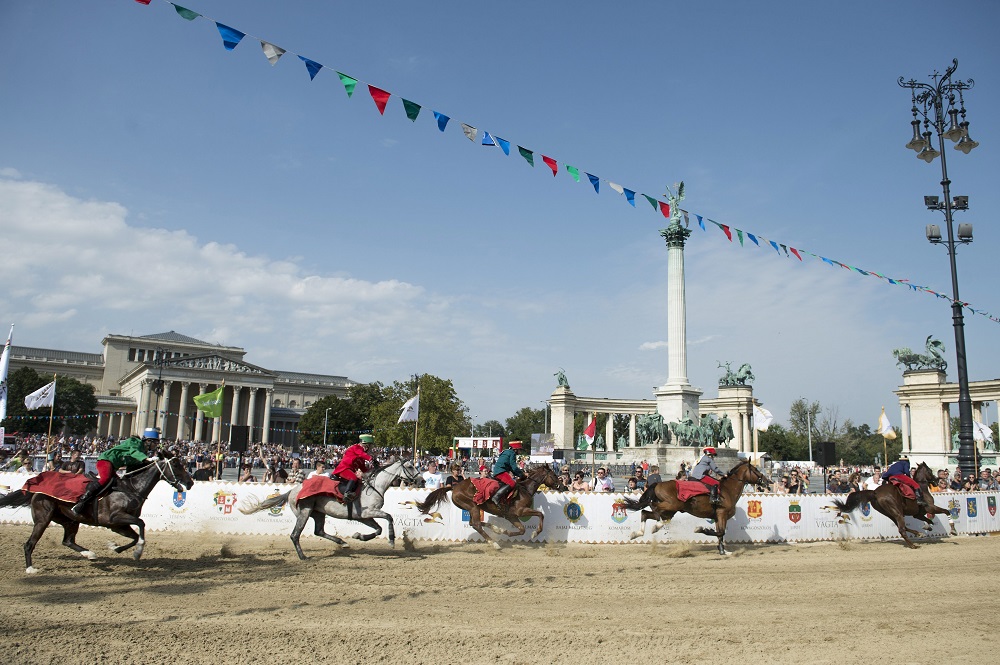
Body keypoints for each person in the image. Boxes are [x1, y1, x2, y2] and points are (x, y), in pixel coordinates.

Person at [71, 428, 158, 516]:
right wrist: (147, 459)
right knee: (105, 478)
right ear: (148, 441)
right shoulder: (135, 442)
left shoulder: (143, 452)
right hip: (105, 460)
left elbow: (132, 467)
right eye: (156, 443)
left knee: (119, 484)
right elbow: (134, 452)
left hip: (112, 466)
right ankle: (81, 502)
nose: (156, 445)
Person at [332, 434, 374, 503]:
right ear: (366, 445)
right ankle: (347, 493)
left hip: (349, 470)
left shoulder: (362, 458)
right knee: (353, 477)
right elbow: (361, 454)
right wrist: (370, 458)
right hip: (343, 469)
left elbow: (364, 469)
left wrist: (373, 471)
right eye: (370, 446)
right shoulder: (356, 447)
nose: (371, 448)